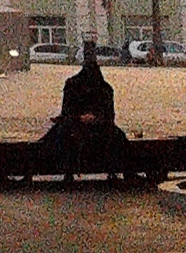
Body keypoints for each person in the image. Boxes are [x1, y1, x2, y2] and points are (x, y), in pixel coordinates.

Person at [41, 41, 131, 181]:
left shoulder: (78, 85)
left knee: (115, 136)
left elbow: (67, 112)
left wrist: (91, 118)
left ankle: (70, 172)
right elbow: (108, 115)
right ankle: (113, 170)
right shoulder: (102, 87)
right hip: (84, 126)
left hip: (91, 126)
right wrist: (84, 118)